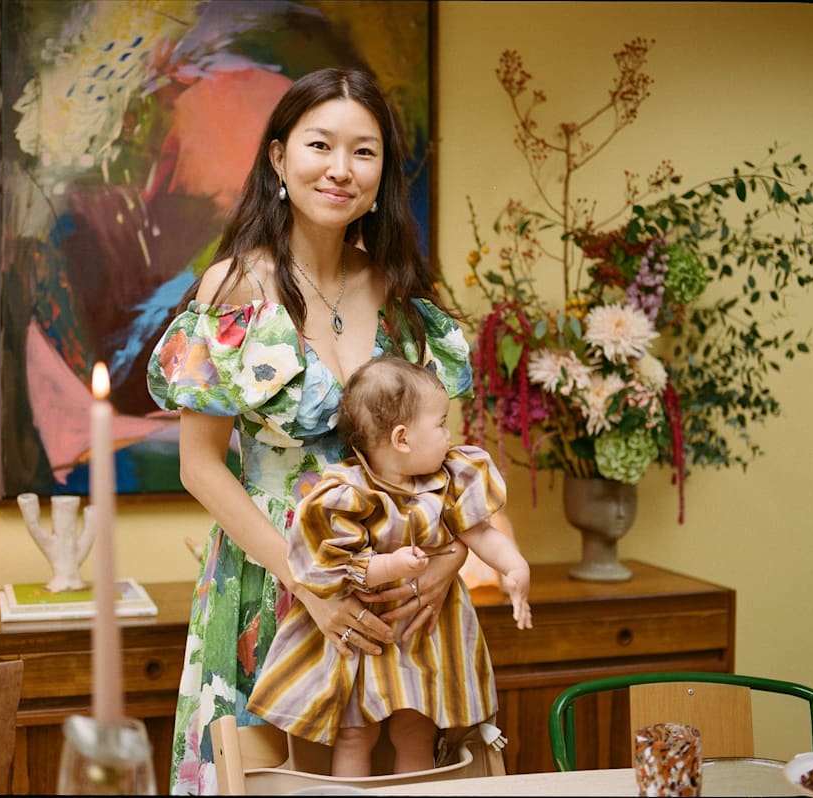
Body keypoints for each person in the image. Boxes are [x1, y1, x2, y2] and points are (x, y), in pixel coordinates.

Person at [146, 67, 475, 794]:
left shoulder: (403, 294)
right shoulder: (234, 288)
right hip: (273, 582)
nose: (340, 169)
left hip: (399, 595)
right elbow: (200, 467)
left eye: (364, 152)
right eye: (319, 144)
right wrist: (313, 585)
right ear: (277, 158)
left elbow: (449, 461)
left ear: (383, 171)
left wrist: (447, 564)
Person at [246, 354, 533, 777]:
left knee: (415, 730)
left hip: (425, 636)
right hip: (365, 636)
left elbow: (480, 532)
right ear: (402, 438)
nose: (448, 434)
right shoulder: (348, 492)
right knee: (355, 733)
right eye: (439, 424)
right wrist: (390, 565)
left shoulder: (449, 478)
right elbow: (336, 565)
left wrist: (515, 566)